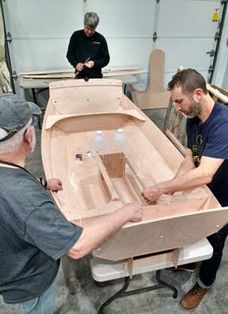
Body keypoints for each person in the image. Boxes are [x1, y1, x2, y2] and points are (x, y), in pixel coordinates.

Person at [0, 93, 142, 313]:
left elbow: (11, 183)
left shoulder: (8, 173)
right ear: (28, 136)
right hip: (28, 281)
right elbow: (77, 247)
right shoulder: (27, 201)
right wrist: (126, 212)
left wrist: (43, 182)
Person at [142, 69, 228, 310]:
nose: (176, 108)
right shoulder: (194, 119)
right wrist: (173, 186)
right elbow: (190, 156)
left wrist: (163, 187)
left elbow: (205, 173)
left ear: (197, 93)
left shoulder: (226, 124)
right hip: (212, 184)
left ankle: (204, 284)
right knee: (195, 224)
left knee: (216, 237)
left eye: (179, 101)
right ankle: (194, 258)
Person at [66, 12, 110, 80]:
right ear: (84, 24)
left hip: (96, 78)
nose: (89, 32)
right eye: (87, 28)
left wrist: (94, 63)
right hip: (79, 76)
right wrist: (76, 64)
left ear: (96, 27)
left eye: (92, 29)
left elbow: (106, 59)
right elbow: (69, 55)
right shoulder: (76, 36)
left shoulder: (101, 39)